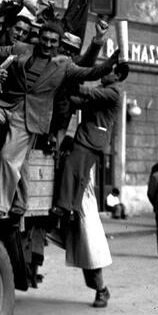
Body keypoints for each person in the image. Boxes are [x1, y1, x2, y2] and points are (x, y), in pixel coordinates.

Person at [0, 21, 119, 219]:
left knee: (10, 157)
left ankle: (1, 207)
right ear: (39, 38)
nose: (48, 44)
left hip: (30, 115)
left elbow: (89, 70)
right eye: (45, 39)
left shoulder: (64, 64)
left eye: (53, 41)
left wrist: (101, 48)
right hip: (7, 104)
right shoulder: (21, 48)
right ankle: (16, 198)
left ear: (59, 43)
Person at [52, 62, 129, 221]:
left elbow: (91, 94)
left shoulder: (114, 91)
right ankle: (72, 208)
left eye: (108, 71)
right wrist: (67, 98)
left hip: (91, 138)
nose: (103, 74)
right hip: (90, 138)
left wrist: (71, 88)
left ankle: (64, 206)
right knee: (80, 173)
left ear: (118, 75)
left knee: (71, 166)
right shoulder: (106, 90)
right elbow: (84, 102)